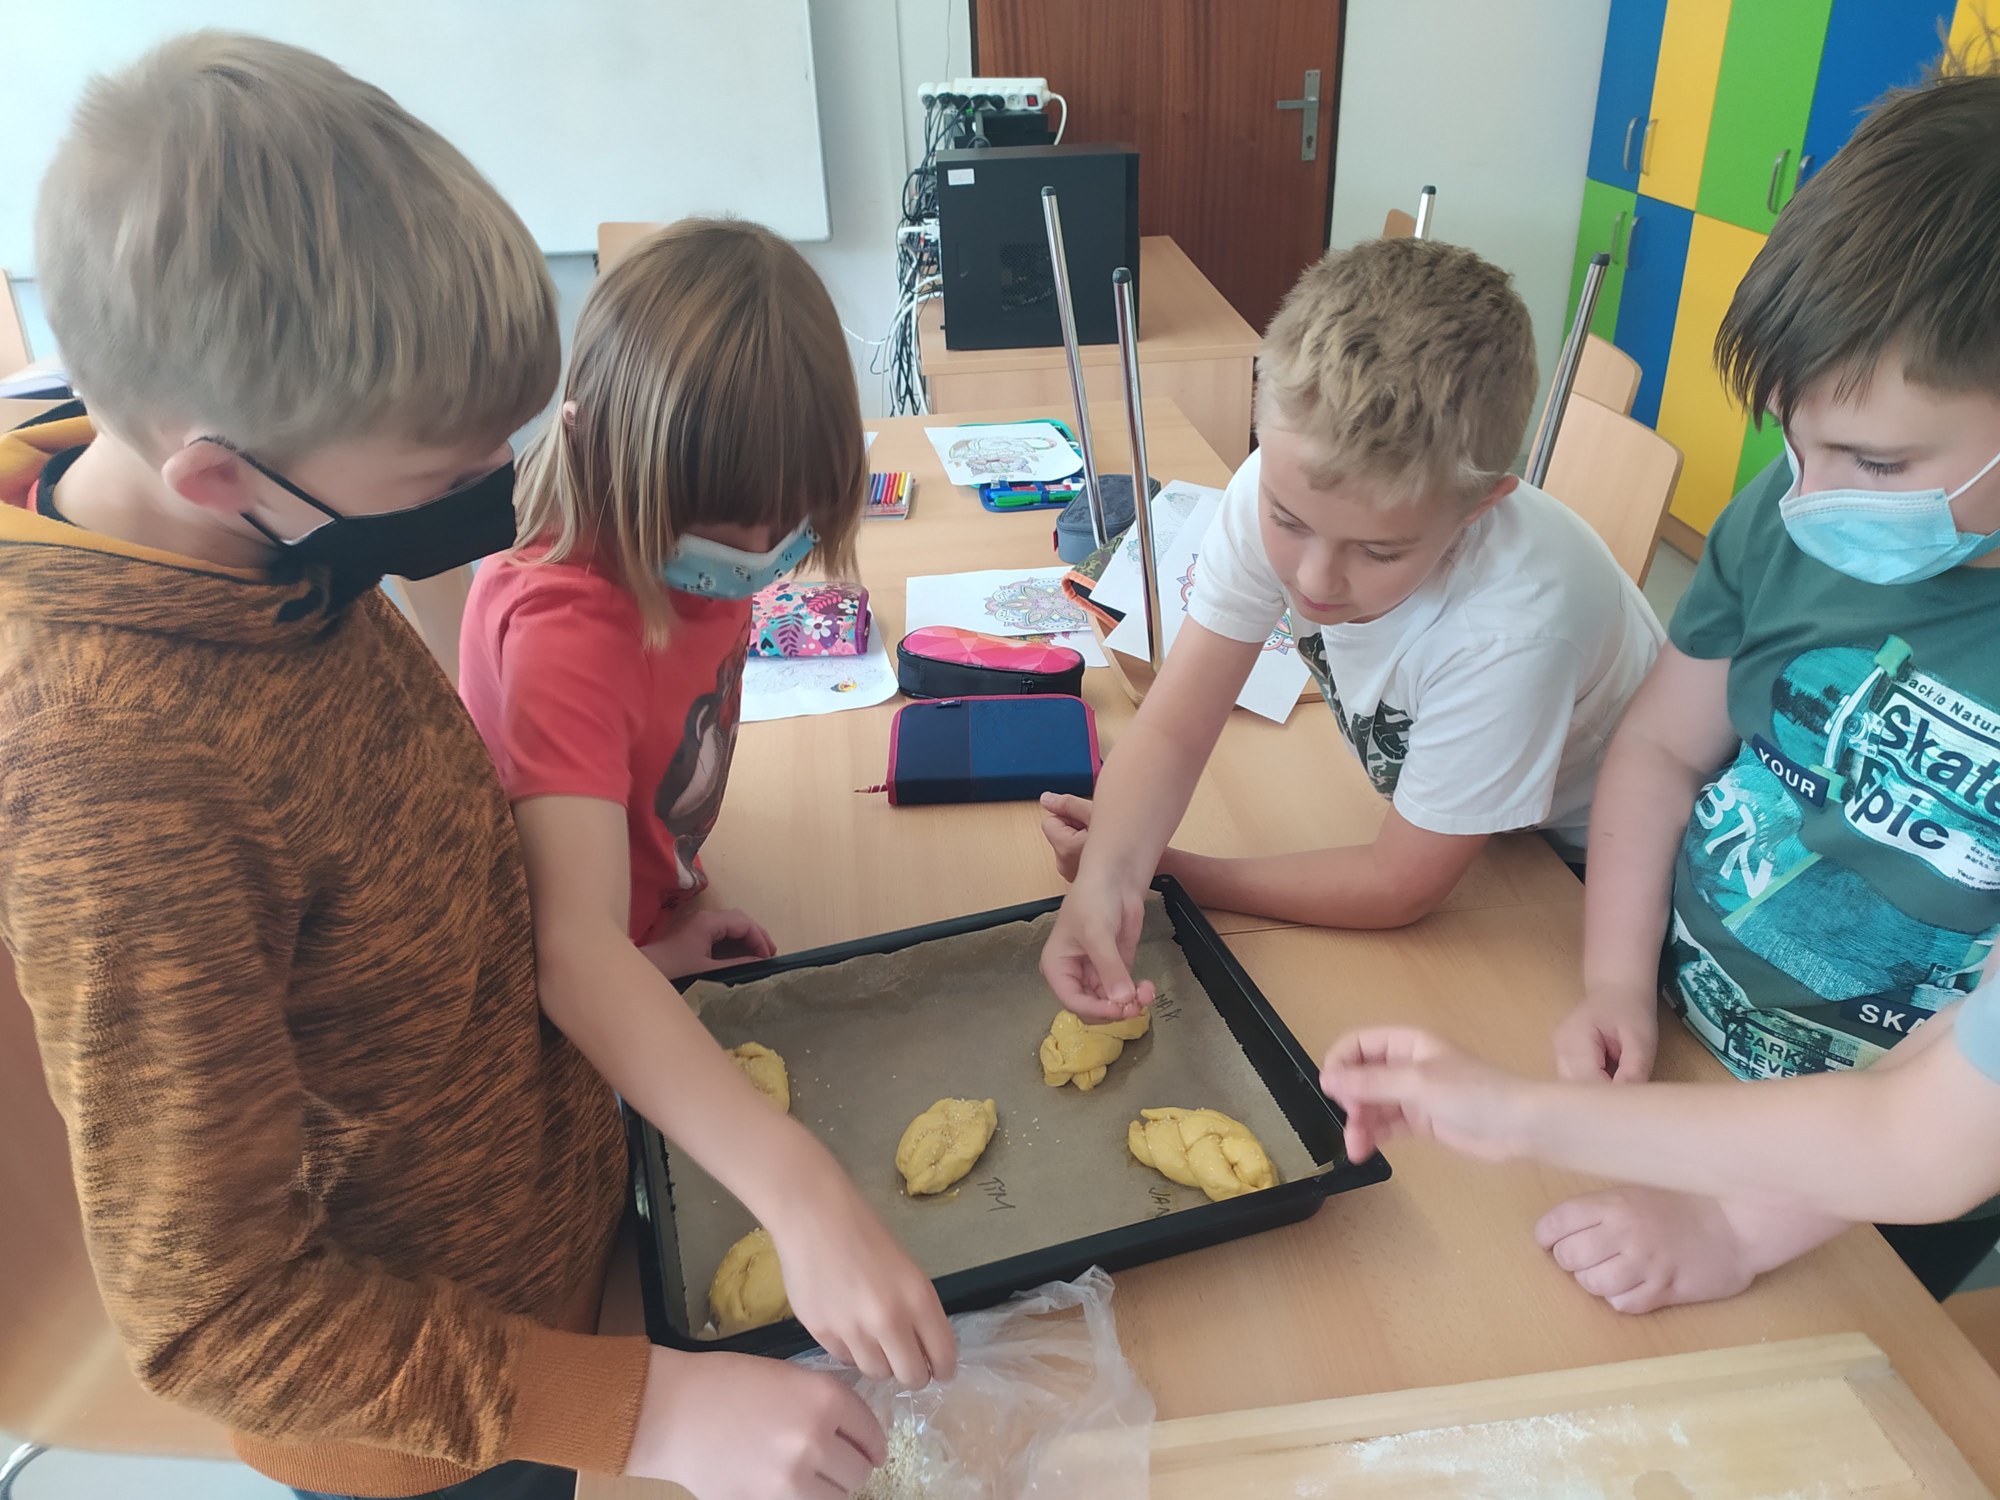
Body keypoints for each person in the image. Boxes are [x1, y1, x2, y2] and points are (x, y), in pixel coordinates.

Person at [0, 35, 898, 1500]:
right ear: (220, 475)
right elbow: (221, 1321)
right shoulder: (112, 777)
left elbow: (396, 898)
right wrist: (643, 1414)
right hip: (452, 1418)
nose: (499, 499)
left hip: (556, 1230)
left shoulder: (271, 550)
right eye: (446, 481)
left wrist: (632, 954)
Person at [1332, 57, 2000, 1311]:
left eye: (1872, 462)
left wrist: (1733, 1230)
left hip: (1847, 1194)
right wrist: (1612, 975)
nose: (1809, 499)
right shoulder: (1792, 515)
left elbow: (1928, 1130)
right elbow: (1658, 748)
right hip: (1686, 1029)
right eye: (1792, 442)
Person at [459, 218, 954, 1418]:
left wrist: (661, 932)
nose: (753, 562)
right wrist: (802, 1193)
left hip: (642, 942)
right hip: (563, 1032)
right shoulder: (561, 631)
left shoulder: (690, 552)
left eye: (778, 534)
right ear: (600, 451)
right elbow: (563, 950)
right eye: (721, 540)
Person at [1040, 237, 1661, 1020]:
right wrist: (1108, 877)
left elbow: (1399, 885)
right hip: (1469, 811)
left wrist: (1169, 871)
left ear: (1479, 508)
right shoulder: (1281, 485)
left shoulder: (1513, 631)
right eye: (1288, 522)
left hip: (1583, 872)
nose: (1313, 581)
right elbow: (1173, 726)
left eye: (1379, 551)